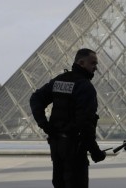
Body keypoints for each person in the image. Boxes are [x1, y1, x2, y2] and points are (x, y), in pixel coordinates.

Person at [30, 48, 107, 188]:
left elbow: (36, 98)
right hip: (74, 147)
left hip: (56, 145)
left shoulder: (59, 80)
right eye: (93, 63)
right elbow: (85, 123)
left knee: (59, 182)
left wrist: (44, 124)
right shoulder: (85, 86)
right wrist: (95, 152)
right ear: (81, 63)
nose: (96, 67)